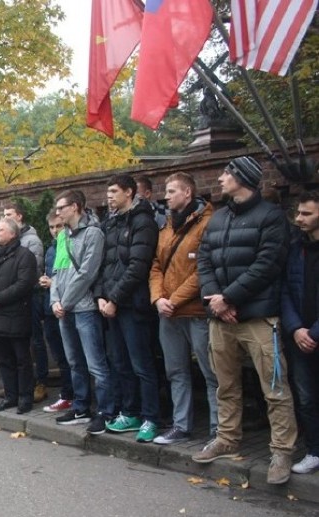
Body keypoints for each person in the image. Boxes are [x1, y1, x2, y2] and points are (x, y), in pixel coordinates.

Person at [193, 156, 297, 486]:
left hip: (260, 317)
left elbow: (268, 265)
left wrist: (230, 298)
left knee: (275, 387)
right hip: (221, 317)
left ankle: (282, 450)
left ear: (244, 178)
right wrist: (215, 300)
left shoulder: (271, 217)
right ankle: (227, 437)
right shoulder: (219, 217)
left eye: (227, 173)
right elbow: (205, 260)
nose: (221, 179)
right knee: (226, 384)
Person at [148, 173, 218, 445]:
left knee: (211, 372)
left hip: (195, 312)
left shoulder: (207, 223)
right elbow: (155, 265)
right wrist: (157, 298)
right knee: (175, 371)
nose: (166, 196)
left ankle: (217, 430)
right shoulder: (166, 226)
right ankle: (181, 425)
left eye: (172, 190)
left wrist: (174, 299)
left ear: (187, 193)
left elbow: (203, 270)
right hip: (168, 312)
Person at [96, 174, 160, 443]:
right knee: (120, 363)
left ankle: (151, 417)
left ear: (130, 193)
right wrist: (100, 295)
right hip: (111, 306)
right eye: (108, 191)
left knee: (141, 364)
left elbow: (137, 267)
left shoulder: (143, 222)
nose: (109, 196)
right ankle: (130, 412)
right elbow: (103, 265)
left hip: (133, 306)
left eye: (114, 191)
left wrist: (115, 299)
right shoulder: (111, 223)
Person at [50, 190, 114, 434]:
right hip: (64, 309)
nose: (58, 213)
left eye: (61, 208)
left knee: (96, 364)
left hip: (84, 308)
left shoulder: (94, 234)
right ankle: (80, 407)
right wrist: (55, 300)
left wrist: (64, 302)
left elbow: (87, 272)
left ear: (75, 207)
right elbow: (57, 271)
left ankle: (105, 412)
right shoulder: (63, 236)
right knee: (75, 361)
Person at [0, 217, 37, 414]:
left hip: (17, 317)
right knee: (4, 360)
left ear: (12, 233)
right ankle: (11, 397)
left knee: (22, 360)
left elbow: (24, 284)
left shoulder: (25, 256)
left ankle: (25, 398)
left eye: (0, 230)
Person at [281, 190, 319, 475]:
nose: (299, 219)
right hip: (299, 336)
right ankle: (314, 450)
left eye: (307, 213)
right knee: (305, 398)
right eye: (299, 213)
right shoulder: (297, 247)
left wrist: (314, 333)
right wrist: (295, 329)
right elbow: (285, 291)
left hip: (313, 334)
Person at [3, 202, 48, 403]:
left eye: (9, 214)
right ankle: (18, 385)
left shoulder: (32, 241)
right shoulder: (10, 242)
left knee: (35, 342)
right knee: (18, 347)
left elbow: (33, 273)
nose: (5, 218)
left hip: (31, 298)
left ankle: (40, 382)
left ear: (19, 216)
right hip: (13, 302)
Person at [40, 213, 73, 413]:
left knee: (71, 357)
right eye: (51, 227)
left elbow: (71, 277)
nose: (55, 231)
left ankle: (72, 394)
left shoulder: (69, 245)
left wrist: (53, 283)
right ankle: (67, 393)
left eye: (58, 226)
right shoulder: (51, 249)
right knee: (60, 356)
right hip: (49, 307)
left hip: (65, 308)